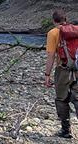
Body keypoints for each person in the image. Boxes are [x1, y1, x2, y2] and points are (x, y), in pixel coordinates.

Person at [44, 9, 78, 139]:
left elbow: (51, 56)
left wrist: (47, 75)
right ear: (66, 19)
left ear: (54, 21)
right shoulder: (75, 30)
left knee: (61, 99)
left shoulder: (53, 33)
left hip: (63, 69)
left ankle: (66, 130)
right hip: (77, 68)